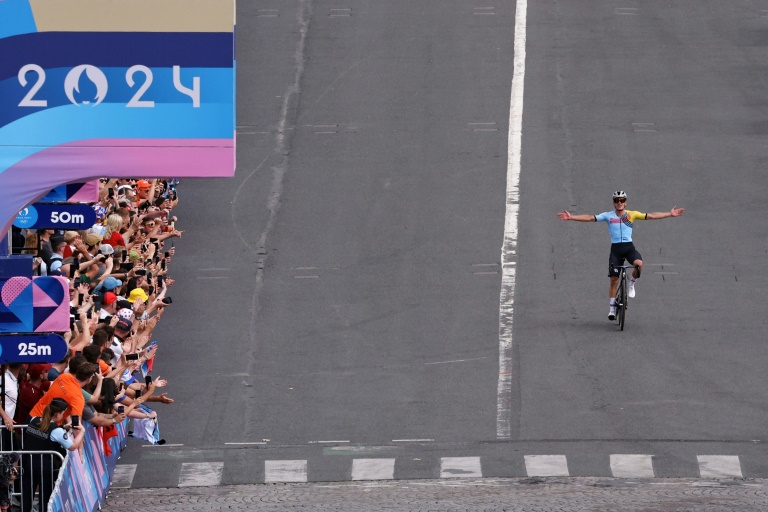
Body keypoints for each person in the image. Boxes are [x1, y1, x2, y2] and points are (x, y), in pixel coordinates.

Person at [557, 191, 684, 320]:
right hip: (616, 250)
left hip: (629, 248)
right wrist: (571, 217)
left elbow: (651, 215)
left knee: (639, 264)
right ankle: (612, 309)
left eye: (622, 200)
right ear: (614, 203)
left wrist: (670, 214)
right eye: (617, 200)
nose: (619, 203)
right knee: (614, 280)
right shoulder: (608, 216)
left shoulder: (632, 214)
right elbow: (590, 218)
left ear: (625, 202)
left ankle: (631, 284)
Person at [21, 398, 85, 512]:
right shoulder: (56, 431)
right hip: (45, 466)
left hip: (28, 463)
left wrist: (62, 428)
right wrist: (82, 432)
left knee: (26, 495)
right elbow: (73, 446)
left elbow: (43, 430)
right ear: (57, 414)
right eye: (63, 413)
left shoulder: (34, 420)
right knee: (45, 497)